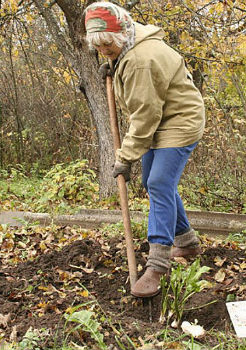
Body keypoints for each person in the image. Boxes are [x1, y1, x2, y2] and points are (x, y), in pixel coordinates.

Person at [84, 2, 206, 298]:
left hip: (178, 122)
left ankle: (157, 265)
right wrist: (114, 63)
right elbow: (146, 106)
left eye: (108, 47)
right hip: (161, 118)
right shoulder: (130, 43)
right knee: (152, 183)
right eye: (99, 48)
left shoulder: (140, 59)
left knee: (158, 183)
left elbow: (144, 116)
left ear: (121, 34)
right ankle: (187, 242)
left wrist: (124, 157)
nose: (104, 51)